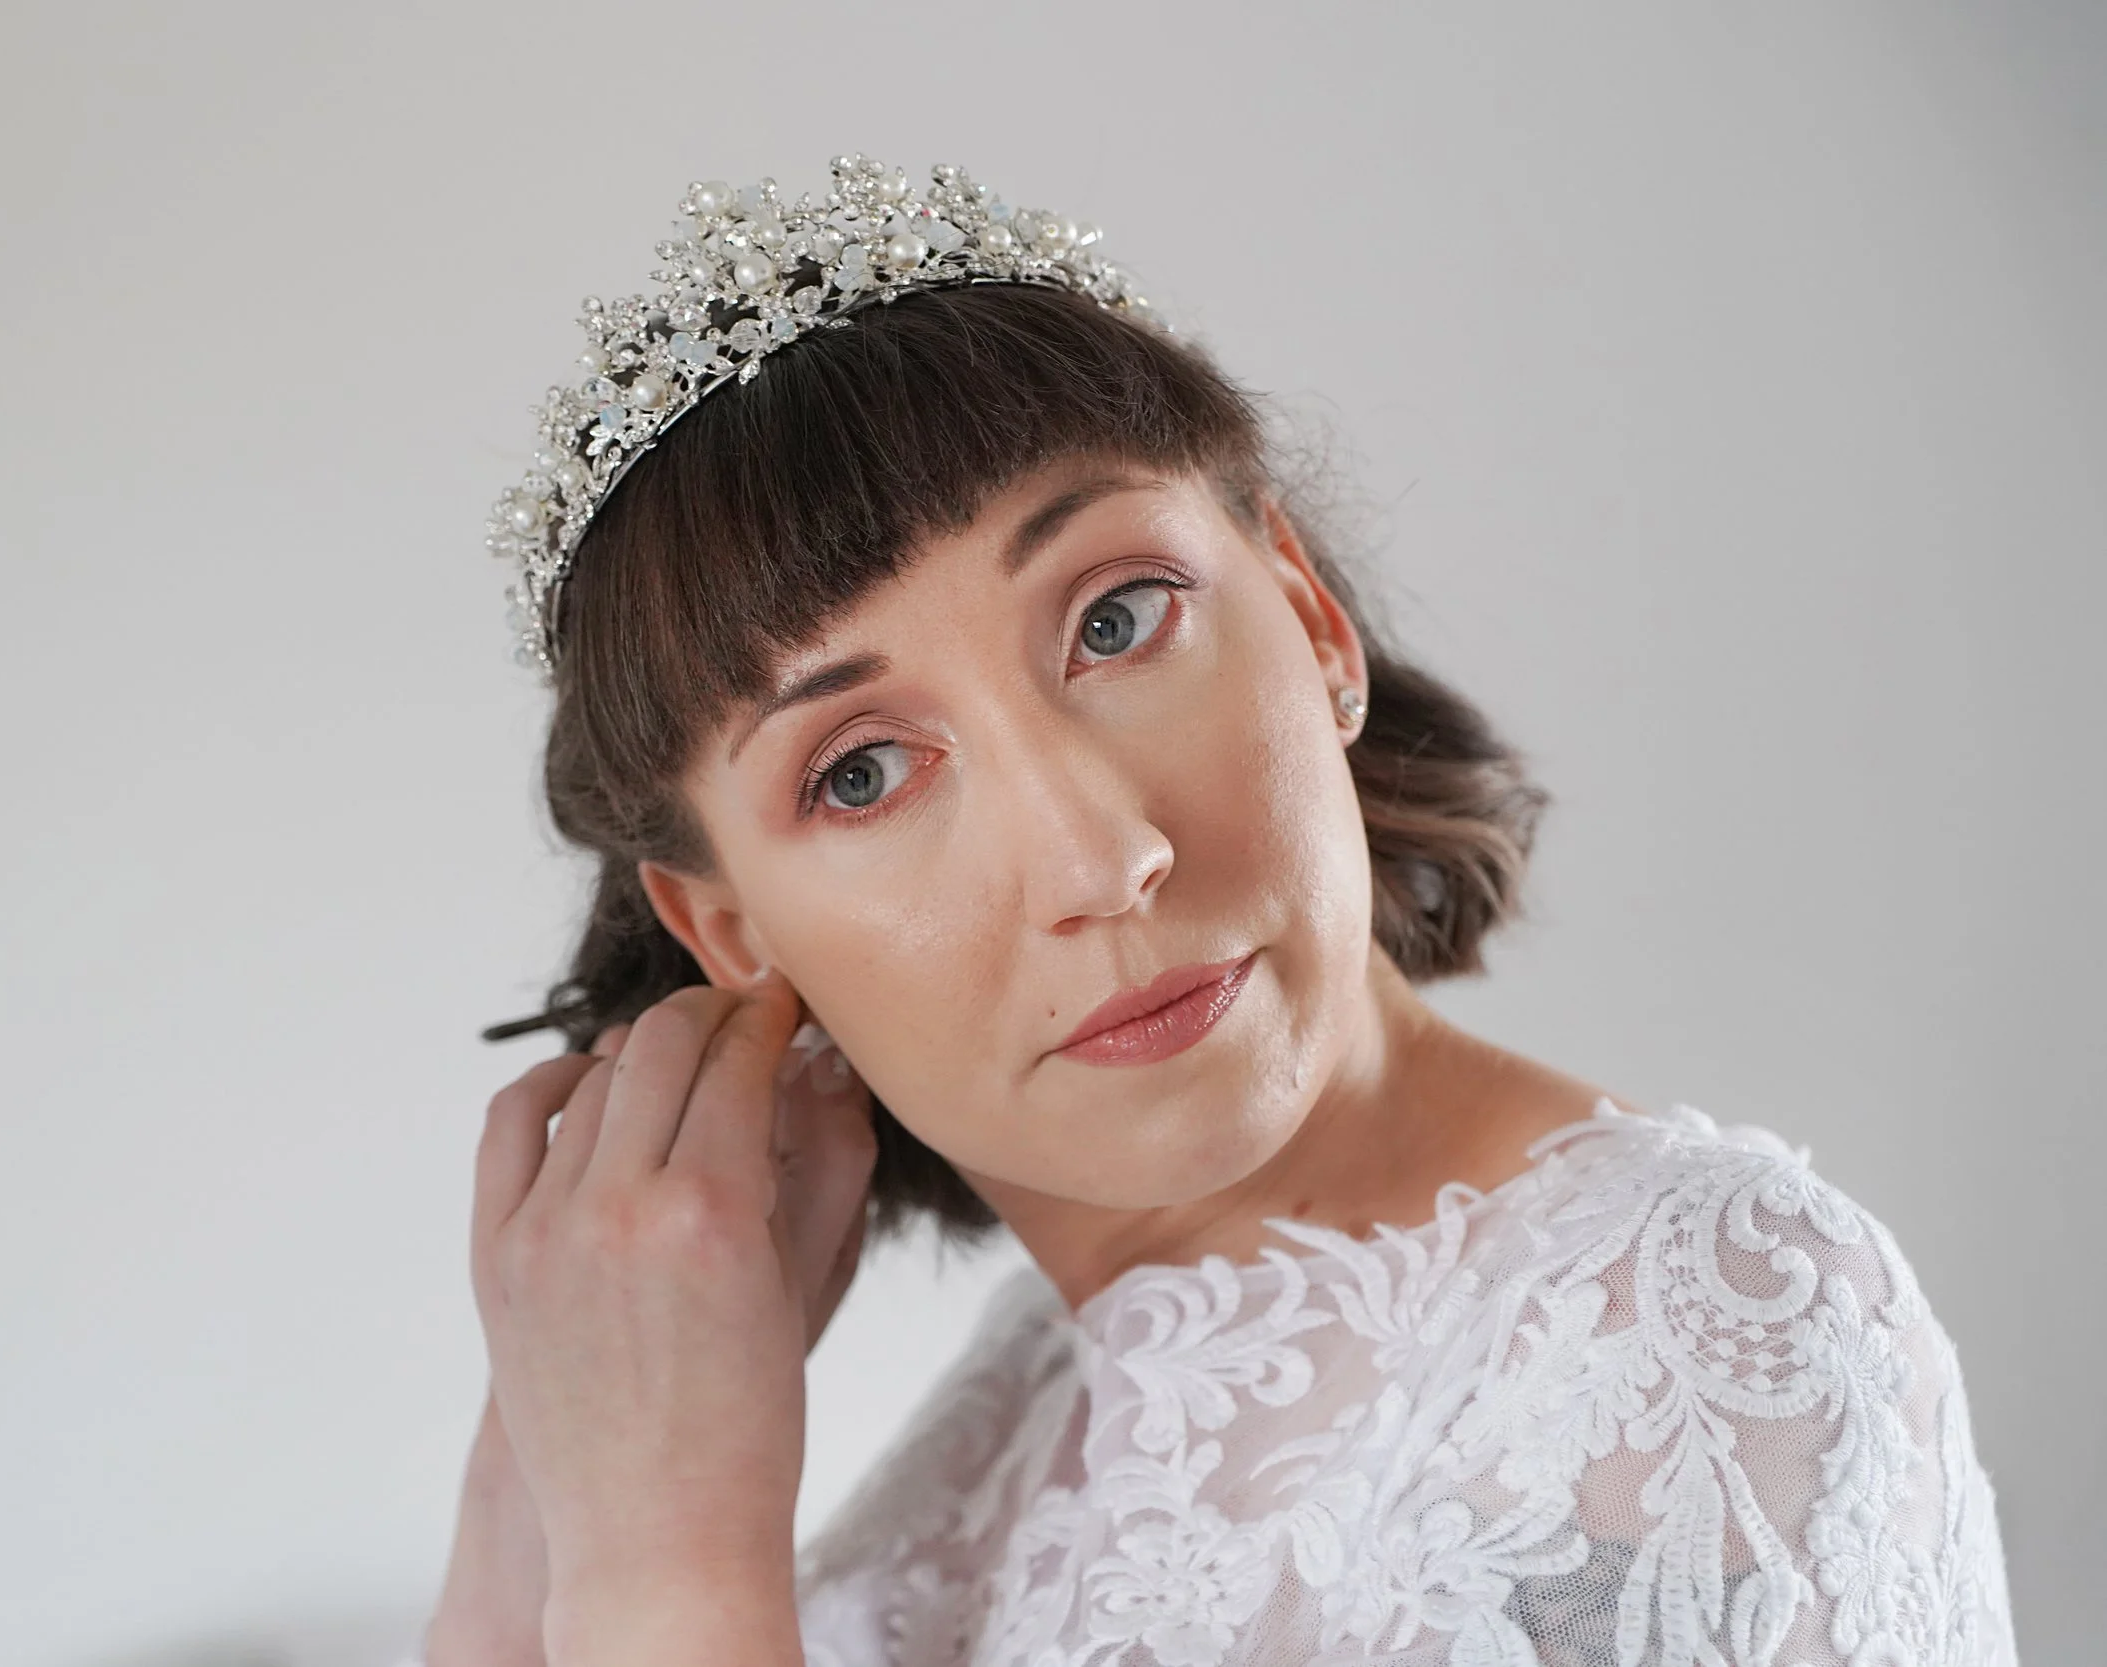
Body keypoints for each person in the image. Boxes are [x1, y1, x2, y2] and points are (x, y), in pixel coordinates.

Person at [430, 156, 2018, 1667]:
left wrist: (667, 1575)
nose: (1099, 858)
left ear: (1315, 620)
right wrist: (545, 1471)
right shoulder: (1005, 1418)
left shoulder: (1694, 1317)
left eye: (1119, 620)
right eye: (860, 773)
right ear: (733, 936)